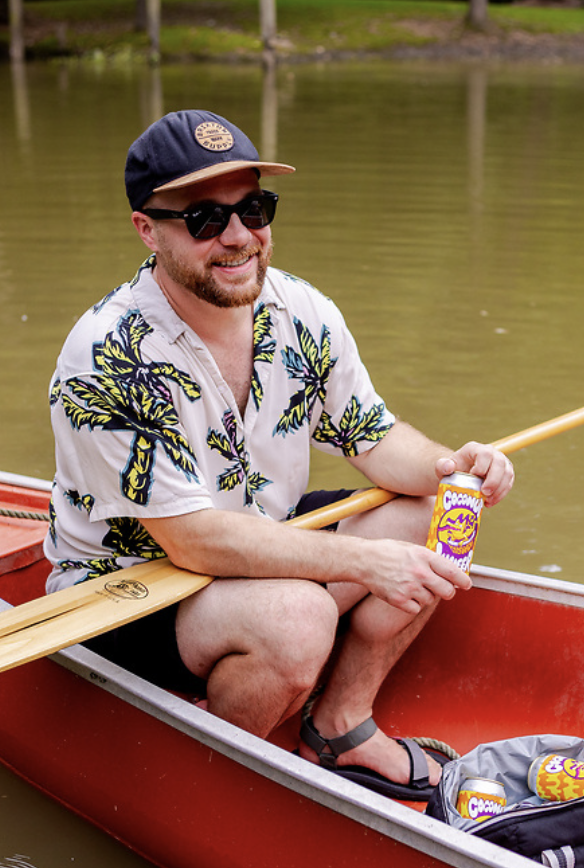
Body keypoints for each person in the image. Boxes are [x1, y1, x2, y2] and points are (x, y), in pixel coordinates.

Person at [44, 109, 514, 799]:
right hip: (130, 588)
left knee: (447, 511)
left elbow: (376, 438)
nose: (238, 238)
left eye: (253, 208)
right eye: (204, 218)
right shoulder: (109, 353)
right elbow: (192, 541)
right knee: (297, 619)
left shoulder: (302, 311)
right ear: (147, 228)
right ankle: (219, 777)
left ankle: (341, 726)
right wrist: (362, 563)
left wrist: (461, 467)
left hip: (259, 546)